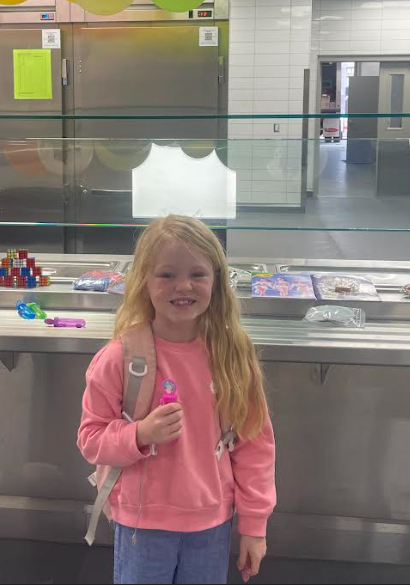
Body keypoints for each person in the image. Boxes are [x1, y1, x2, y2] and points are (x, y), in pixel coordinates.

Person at [78, 215, 276, 585]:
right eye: (166, 274)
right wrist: (139, 434)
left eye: (197, 274)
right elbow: (91, 439)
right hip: (142, 525)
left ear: (216, 282)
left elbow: (254, 446)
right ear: (143, 282)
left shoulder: (231, 354)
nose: (182, 286)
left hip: (211, 526)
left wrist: (254, 526)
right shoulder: (121, 358)